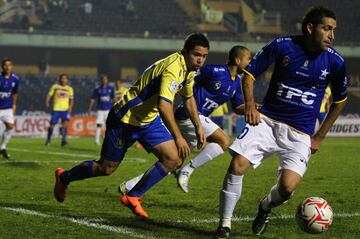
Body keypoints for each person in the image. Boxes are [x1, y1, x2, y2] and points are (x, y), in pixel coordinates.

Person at [215, 6, 348, 238]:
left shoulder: (335, 62)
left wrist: (319, 137)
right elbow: (249, 74)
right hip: (266, 121)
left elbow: (340, 101)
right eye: (327, 29)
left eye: (333, 30)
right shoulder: (282, 45)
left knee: (287, 188)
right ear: (310, 28)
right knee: (237, 164)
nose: (332, 35)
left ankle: (265, 206)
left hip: (300, 133)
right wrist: (249, 105)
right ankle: (224, 225)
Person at [53, 33, 210, 218]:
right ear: (185, 52)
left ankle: (133, 196)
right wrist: (178, 137)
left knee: (174, 158)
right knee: (106, 168)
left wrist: (198, 125)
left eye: (204, 56)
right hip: (125, 119)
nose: (200, 60)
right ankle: (64, 177)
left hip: (148, 121)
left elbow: (188, 97)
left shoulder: (189, 70)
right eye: (196, 54)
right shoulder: (173, 68)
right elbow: (164, 105)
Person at [119, 46, 251, 194]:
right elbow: (189, 79)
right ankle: (188, 170)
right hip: (189, 115)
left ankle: (130, 186)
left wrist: (254, 107)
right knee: (224, 141)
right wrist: (173, 92)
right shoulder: (214, 71)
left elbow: (238, 107)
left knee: (174, 162)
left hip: (196, 121)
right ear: (238, 60)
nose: (250, 63)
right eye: (248, 59)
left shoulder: (236, 82)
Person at [45, 74, 74, 146]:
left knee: (65, 124)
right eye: (62, 78)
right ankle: (48, 140)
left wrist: (70, 107)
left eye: (65, 79)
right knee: (52, 125)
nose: (63, 80)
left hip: (65, 109)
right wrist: (47, 102)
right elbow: (49, 95)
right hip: (56, 109)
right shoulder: (55, 87)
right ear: (60, 79)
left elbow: (71, 99)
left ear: (67, 80)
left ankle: (63, 140)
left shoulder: (70, 89)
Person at [0, 58, 20, 159]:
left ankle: (2, 146)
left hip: (7, 108)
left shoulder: (15, 79)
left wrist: (14, 105)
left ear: (12, 66)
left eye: (9, 65)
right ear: (2, 66)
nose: (7, 67)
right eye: (5, 65)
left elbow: (14, 93)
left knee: (11, 126)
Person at [88, 74, 115, 145]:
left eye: (105, 79)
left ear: (107, 80)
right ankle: (97, 140)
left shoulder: (111, 88)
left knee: (109, 125)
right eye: (102, 79)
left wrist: (115, 107)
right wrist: (90, 108)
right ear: (101, 80)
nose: (104, 80)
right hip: (100, 109)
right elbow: (92, 99)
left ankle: (108, 139)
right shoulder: (97, 89)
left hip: (108, 109)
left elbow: (113, 99)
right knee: (99, 124)